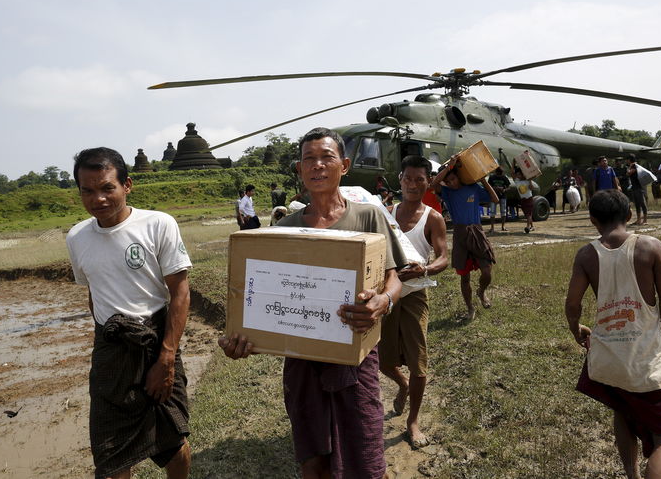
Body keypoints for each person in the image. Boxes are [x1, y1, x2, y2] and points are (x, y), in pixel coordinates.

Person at [219, 127, 407, 479]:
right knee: (313, 460)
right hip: (301, 360)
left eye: (326, 157)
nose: (317, 166)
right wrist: (241, 337)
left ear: (345, 165)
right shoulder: (284, 228)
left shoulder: (369, 216)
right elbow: (261, 296)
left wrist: (383, 301)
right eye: (309, 159)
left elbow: (393, 278)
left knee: (364, 454)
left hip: (356, 359)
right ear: (299, 168)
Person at [65, 147, 193, 479]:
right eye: (88, 190)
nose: (98, 198)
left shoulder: (158, 224)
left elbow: (179, 291)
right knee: (111, 458)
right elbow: (94, 291)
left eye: (107, 187)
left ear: (127, 185)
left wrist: (166, 358)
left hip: (156, 341)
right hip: (111, 350)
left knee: (173, 443)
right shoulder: (77, 237)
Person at [565, 189, 661, 479]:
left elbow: (572, 304)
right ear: (629, 215)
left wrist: (575, 329)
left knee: (623, 411)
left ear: (593, 221)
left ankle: (632, 474)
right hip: (645, 360)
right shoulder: (650, 247)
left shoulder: (586, 255)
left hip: (608, 358)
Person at [380, 155, 449, 450]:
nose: (412, 184)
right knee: (384, 361)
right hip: (388, 294)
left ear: (427, 182)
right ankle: (403, 385)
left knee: (419, 364)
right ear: (400, 180)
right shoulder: (386, 213)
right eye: (408, 178)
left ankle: (413, 421)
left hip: (415, 295)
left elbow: (445, 257)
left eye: (420, 179)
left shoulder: (432, 217)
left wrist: (426, 269)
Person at [429, 154, 499, 320]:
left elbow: (494, 199)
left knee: (487, 272)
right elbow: (433, 184)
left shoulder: (473, 188)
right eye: (448, 181)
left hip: (477, 231)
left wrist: (483, 181)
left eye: (453, 179)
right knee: (464, 276)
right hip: (460, 235)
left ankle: (481, 292)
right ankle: (470, 309)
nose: (451, 183)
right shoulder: (447, 192)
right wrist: (448, 167)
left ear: (458, 176)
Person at [487, 167, 510, 232]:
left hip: (502, 196)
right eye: (498, 174)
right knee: (492, 212)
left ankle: (503, 226)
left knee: (503, 211)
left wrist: (504, 189)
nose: (499, 175)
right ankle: (492, 227)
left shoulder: (504, 177)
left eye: (500, 174)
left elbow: (509, 187)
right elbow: (488, 186)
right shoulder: (491, 177)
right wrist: (494, 188)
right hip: (493, 196)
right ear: (496, 172)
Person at [627, 154, 648, 226]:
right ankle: (638, 220)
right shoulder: (634, 166)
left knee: (642, 203)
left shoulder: (634, 166)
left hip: (639, 188)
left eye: (627, 160)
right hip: (635, 187)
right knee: (637, 204)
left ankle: (645, 220)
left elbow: (629, 173)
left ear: (629, 160)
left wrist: (629, 168)